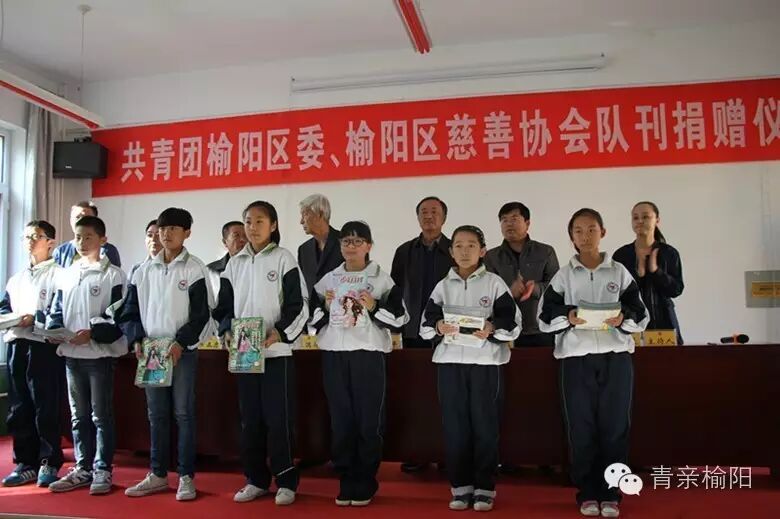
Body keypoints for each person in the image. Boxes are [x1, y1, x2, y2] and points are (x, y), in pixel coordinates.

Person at [538, 208, 649, 518]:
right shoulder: (564, 275)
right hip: (575, 360)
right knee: (581, 426)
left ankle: (611, 493)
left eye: (591, 230)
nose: (585, 236)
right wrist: (568, 316)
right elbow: (544, 317)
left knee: (615, 426)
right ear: (571, 237)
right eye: (578, 231)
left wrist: (624, 318)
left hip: (616, 358)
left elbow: (641, 314)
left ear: (603, 232)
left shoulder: (619, 272)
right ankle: (587, 492)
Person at [420, 225, 521, 512]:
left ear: (483, 251)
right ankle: (460, 487)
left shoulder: (494, 284)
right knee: (455, 428)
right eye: (459, 246)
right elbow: (425, 324)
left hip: (486, 364)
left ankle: (485, 488)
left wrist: (492, 327)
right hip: (450, 364)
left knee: (485, 427)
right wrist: (438, 326)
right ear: (451, 252)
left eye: (471, 245)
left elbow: (513, 324)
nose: (465, 251)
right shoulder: (443, 286)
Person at [213, 201, 308, 506]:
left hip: (277, 353)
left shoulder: (284, 259)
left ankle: (286, 481)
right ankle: (255, 479)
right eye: (248, 222)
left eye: (259, 221)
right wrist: (227, 331)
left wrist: (279, 332)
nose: (252, 228)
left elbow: (299, 305)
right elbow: (223, 309)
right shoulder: (234, 264)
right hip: (245, 355)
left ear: (273, 225)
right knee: (250, 421)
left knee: (279, 420)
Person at [309, 221, 408, 507]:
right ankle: (345, 477)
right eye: (346, 242)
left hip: (368, 354)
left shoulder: (381, 279)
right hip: (335, 354)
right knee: (341, 418)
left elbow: (400, 319)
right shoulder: (329, 280)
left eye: (357, 241)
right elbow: (311, 317)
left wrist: (374, 307)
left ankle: (365, 478)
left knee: (368, 419)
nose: (351, 246)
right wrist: (324, 307)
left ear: (369, 246)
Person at [120, 208, 211, 502]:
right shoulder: (142, 270)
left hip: (181, 352)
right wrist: (136, 338)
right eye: (162, 229)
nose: (166, 234)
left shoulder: (194, 268)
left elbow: (202, 315)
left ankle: (186, 476)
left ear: (187, 233)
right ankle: (157, 474)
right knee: (156, 415)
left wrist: (181, 342)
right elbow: (129, 312)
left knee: (183, 414)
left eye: (173, 228)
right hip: (152, 353)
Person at [46, 216, 127, 495]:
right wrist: (53, 330)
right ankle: (82, 468)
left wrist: (92, 333)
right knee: (78, 416)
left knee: (100, 416)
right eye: (78, 237)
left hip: (99, 356)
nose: (82, 242)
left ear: (103, 240)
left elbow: (116, 317)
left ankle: (102, 468)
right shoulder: (66, 273)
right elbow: (56, 310)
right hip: (71, 354)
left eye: (88, 237)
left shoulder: (114, 275)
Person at [391, 196, 453, 473]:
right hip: (413, 333)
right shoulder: (404, 251)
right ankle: (418, 451)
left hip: (448, 333)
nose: (429, 216)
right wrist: (395, 329)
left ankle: (445, 452)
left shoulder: (455, 248)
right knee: (415, 393)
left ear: (444, 218)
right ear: (417, 217)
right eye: (424, 212)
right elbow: (394, 292)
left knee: (445, 394)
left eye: (434, 212)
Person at [0, 221, 63, 488]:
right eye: (26, 236)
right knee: (19, 405)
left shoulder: (60, 274)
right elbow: (4, 308)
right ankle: (25, 462)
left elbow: (61, 312)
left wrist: (35, 319)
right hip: (17, 343)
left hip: (43, 346)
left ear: (50, 242)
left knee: (45, 405)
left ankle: (49, 461)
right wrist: (12, 318)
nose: (30, 241)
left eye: (36, 236)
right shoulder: (17, 278)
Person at [484, 202, 559, 347]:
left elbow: (557, 289)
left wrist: (535, 288)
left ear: (527, 223)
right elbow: (486, 294)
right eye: (504, 220)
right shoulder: (491, 256)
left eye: (514, 219)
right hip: (505, 329)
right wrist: (508, 293)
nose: (508, 224)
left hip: (541, 328)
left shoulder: (545, 251)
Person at [613, 201, 684, 344]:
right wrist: (637, 275)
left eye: (645, 217)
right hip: (630, 324)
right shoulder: (621, 255)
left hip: (664, 324)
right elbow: (614, 293)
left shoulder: (669, 253)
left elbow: (676, 290)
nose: (640, 221)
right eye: (635, 217)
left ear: (657, 220)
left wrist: (656, 271)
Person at [297, 194, 343, 294]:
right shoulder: (303, 250)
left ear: (320, 214)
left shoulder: (345, 243)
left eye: (305, 214)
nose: (301, 221)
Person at [53, 201, 121, 268]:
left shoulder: (110, 251)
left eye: (86, 218)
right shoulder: (60, 252)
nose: (81, 221)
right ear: (71, 221)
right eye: (77, 217)